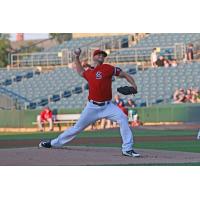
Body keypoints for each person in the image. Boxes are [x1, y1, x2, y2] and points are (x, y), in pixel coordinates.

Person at [39, 49, 140, 157]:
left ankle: (127, 149)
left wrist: (134, 86)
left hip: (107, 106)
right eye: (99, 54)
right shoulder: (89, 73)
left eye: (103, 55)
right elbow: (80, 71)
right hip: (92, 107)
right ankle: (53, 143)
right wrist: (76, 57)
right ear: (94, 57)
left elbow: (124, 74)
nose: (101, 55)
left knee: (123, 118)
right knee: (76, 128)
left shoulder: (108, 68)